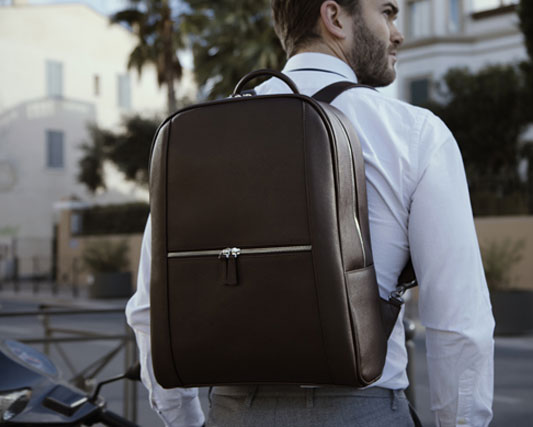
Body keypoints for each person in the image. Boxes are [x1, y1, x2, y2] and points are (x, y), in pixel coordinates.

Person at [126, 0, 495, 426]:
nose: (398, 33)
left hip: (230, 412)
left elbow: (149, 310)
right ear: (335, 17)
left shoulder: (197, 138)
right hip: (361, 411)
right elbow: (460, 325)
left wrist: (188, 421)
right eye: (388, 12)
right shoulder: (414, 135)